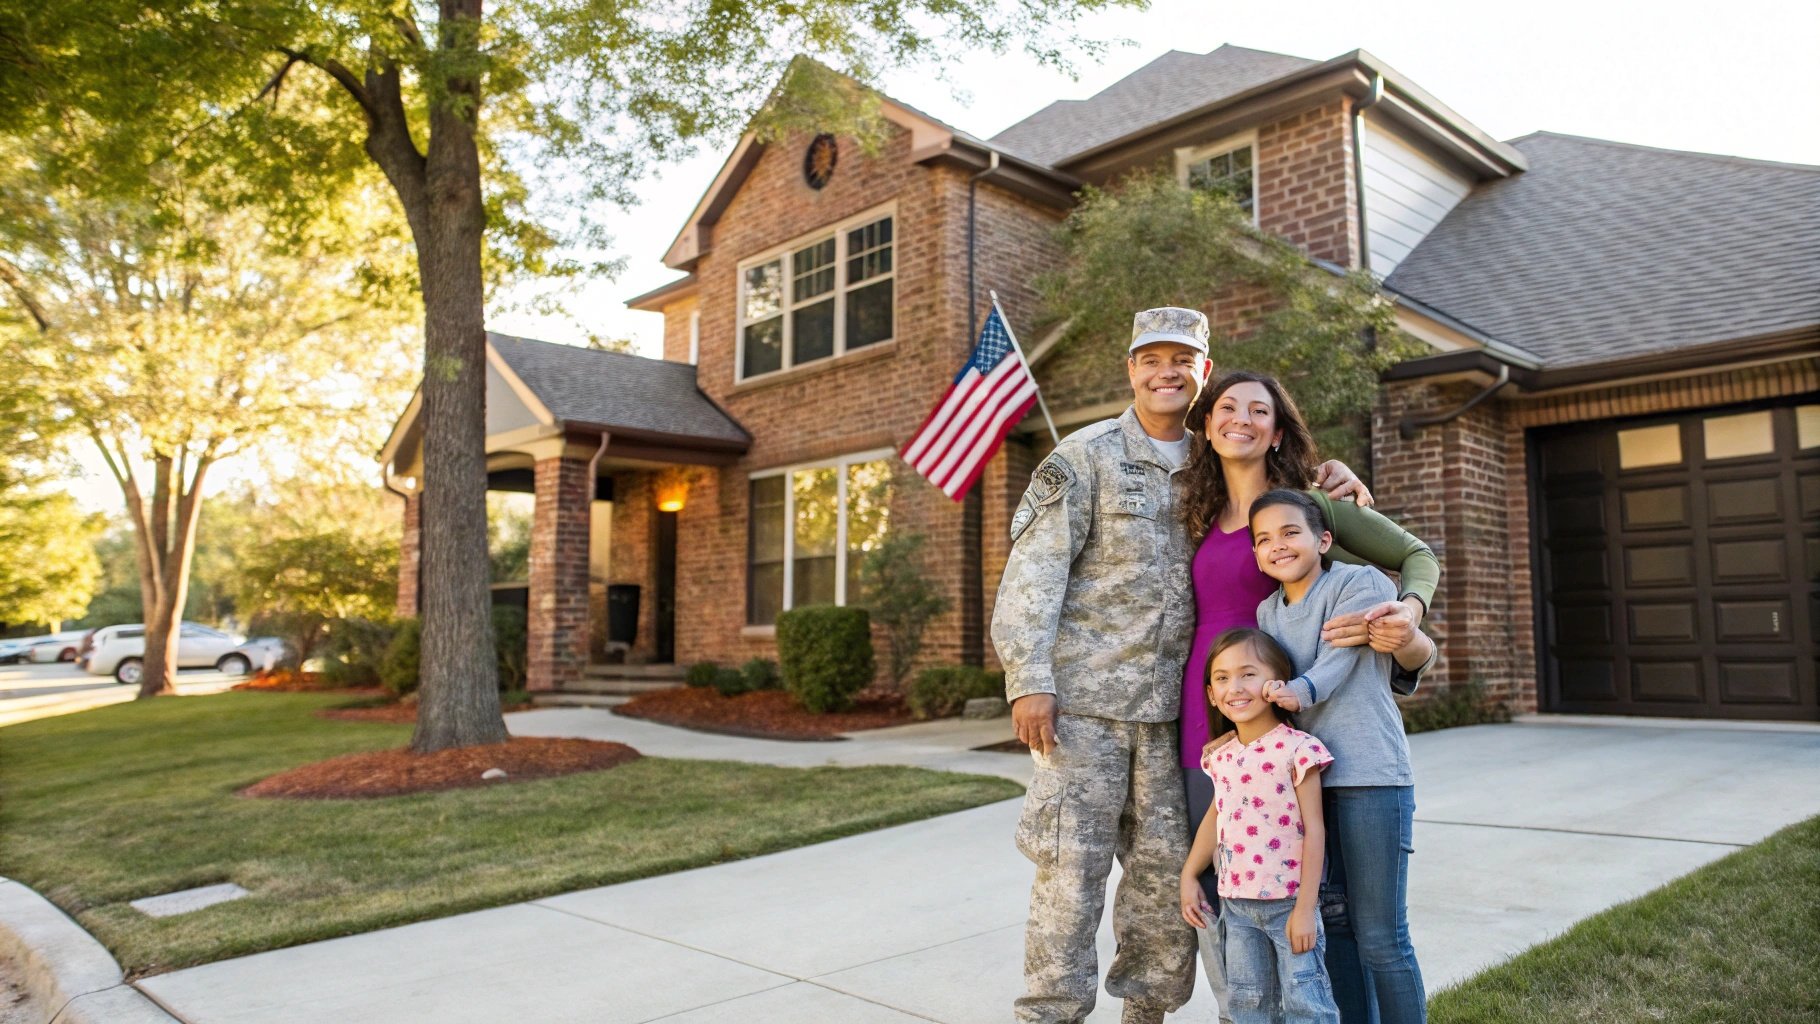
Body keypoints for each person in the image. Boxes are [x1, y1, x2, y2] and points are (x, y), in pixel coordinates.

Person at [993, 309, 1370, 1024]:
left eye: (1183, 360)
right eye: (1150, 358)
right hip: (1084, 713)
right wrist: (1030, 679)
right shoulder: (1086, 456)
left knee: (1166, 891)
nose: (1166, 371)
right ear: (1131, 370)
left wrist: (1332, 480)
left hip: (1176, 720)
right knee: (1069, 885)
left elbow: (1279, 501)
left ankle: (1148, 1017)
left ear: (1203, 373)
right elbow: (1032, 574)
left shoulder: (1209, 463)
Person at [1174, 370, 1439, 1019]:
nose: (1241, 420)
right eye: (1226, 408)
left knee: (1350, 916)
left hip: (1302, 725)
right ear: (1207, 426)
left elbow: (1415, 556)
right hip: (1213, 718)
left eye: (1258, 410)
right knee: (1249, 891)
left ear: (1278, 429)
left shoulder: (1310, 509)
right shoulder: (1198, 513)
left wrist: (1407, 614)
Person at [1250, 488, 1436, 1024]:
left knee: (1382, 935)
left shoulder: (1362, 583)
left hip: (1370, 776)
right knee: (1339, 926)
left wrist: (1298, 691)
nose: (1278, 546)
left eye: (1290, 532)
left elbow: (1338, 658)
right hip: (1308, 787)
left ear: (1324, 539)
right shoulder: (1267, 612)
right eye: (1264, 539)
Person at [1181, 627, 1338, 1024]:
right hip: (1236, 905)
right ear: (1212, 695)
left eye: (1248, 673)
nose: (1235, 687)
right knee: (1248, 1005)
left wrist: (1305, 908)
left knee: (1308, 1004)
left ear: (1276, 683)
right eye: (1221, 678)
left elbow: (1315, 830)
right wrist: (1189, 874)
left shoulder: (1298, 750)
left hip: (1289, 903)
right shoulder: (1221, 757)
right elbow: (1215, 818)